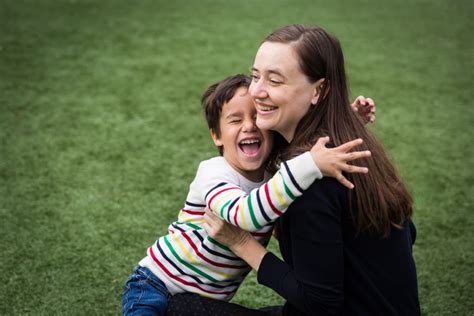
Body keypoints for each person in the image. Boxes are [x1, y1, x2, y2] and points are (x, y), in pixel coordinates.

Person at [167, 25, 420, 315]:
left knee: (179, 308)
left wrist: (241, 242)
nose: (257, 92)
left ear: (319, 90)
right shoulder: (352, 144)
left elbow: (320, 305)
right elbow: (405, 234)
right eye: (255, 76)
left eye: (274, 81)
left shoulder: (311, 176)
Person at [122, 74, 372, 315]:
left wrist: (347, 124)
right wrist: (310, 164)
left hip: (201, 300)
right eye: (235, 119)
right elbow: (244, 215)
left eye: (257, 116)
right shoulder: (213, 173)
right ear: (216, 136)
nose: (250, 126)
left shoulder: (273, 183)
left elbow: (302, 160)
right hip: (156, 283)